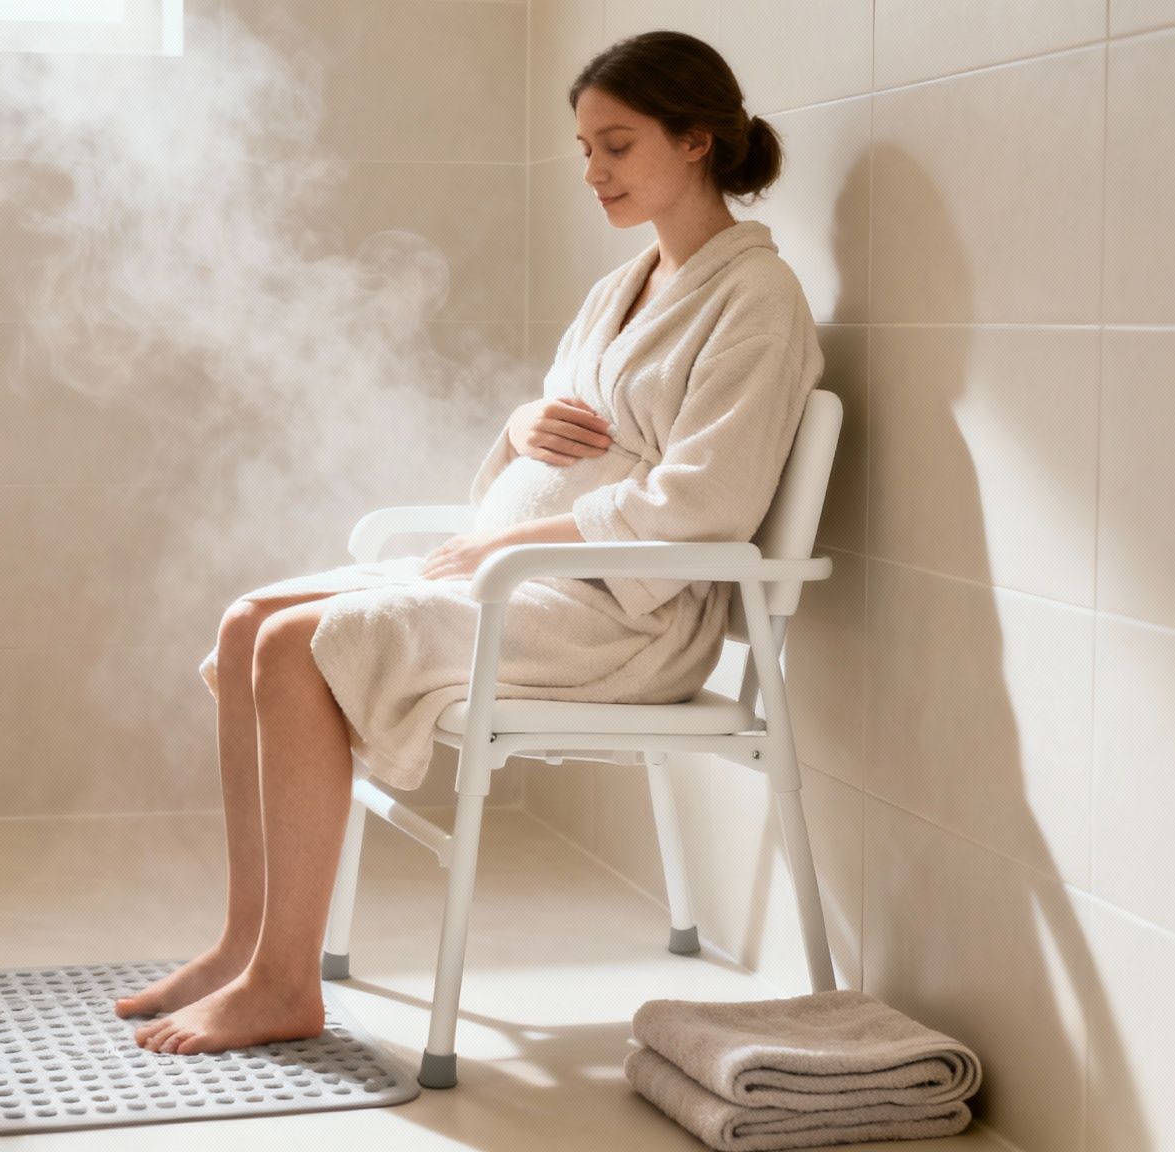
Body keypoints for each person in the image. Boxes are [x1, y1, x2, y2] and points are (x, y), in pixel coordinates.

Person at [116, 29, 825, 1056]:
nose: (591, 172)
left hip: (623, 617)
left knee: (289, 647)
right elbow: (565, 434)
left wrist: (520, 541)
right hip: (525, 577)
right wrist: (515, 429)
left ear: (696, 141)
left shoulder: (756, 301)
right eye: (583, 147)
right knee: (246, 624)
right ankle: (241, 944)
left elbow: (703, 505)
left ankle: (283, 981)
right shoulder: (622, 287)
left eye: (615, 147)